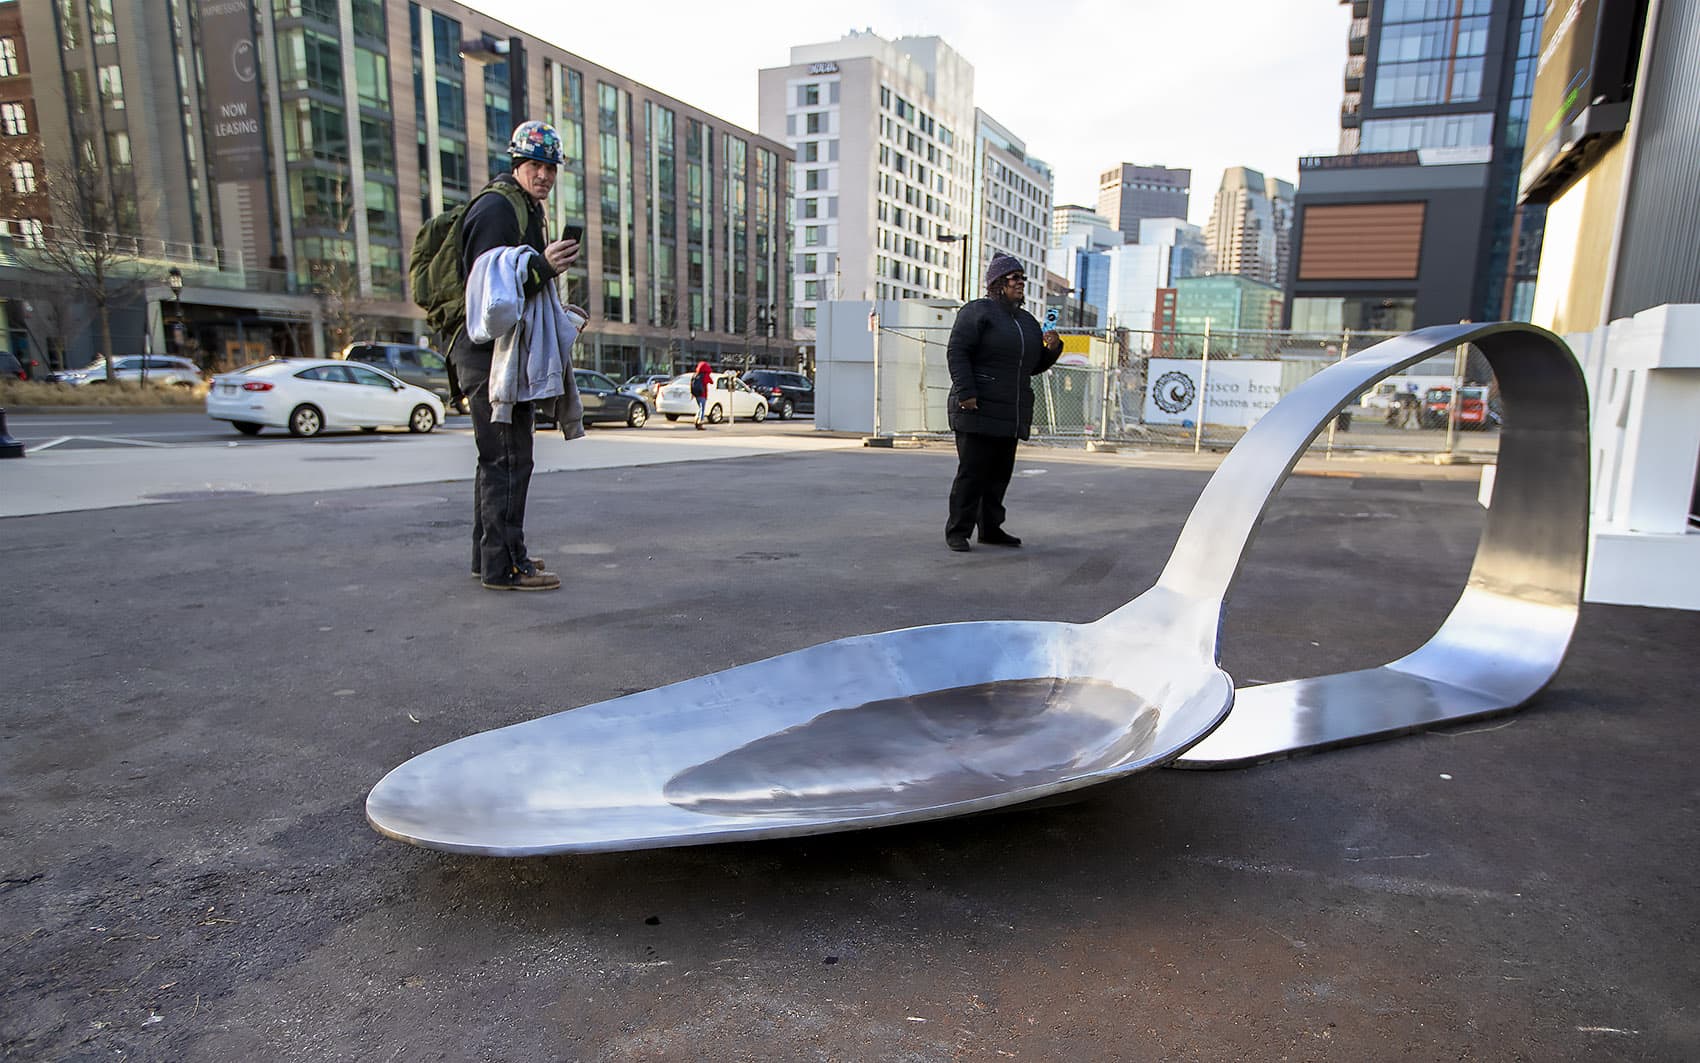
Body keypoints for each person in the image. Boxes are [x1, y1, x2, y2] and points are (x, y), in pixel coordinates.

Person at [450, 120, 580, 591]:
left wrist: (543, 268)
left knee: (497, 460)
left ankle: (491, 558)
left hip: (495, 354)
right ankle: (504, 567)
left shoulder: (522, 207)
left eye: (550, 167)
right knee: (509, 459)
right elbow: (491, 293)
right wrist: (544, 266)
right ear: (516, 163)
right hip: (488, 356)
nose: (544, 174)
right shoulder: (498, 210)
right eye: (535, 165)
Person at [943, 253, 1062, 552]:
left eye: (1023, 278)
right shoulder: (978, 311)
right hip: (977, 407)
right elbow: (958, 351)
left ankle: (991, 529)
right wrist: (967, 393)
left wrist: (1053, 349)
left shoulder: (1026, 322)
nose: (1021, 283)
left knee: (998, 476)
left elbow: (1031, 367)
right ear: (997, 283)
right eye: (1014, 278)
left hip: (1009, 412)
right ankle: (958, 531)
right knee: (972, 473)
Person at [690, 360, 713, 430]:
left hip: (696, 395)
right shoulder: (705, 376)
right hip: (702, 394)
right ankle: (700, 422)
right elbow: (711, 382)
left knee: (700, 408)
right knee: (702, 409)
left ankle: (696, 419)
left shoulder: (695, 375)